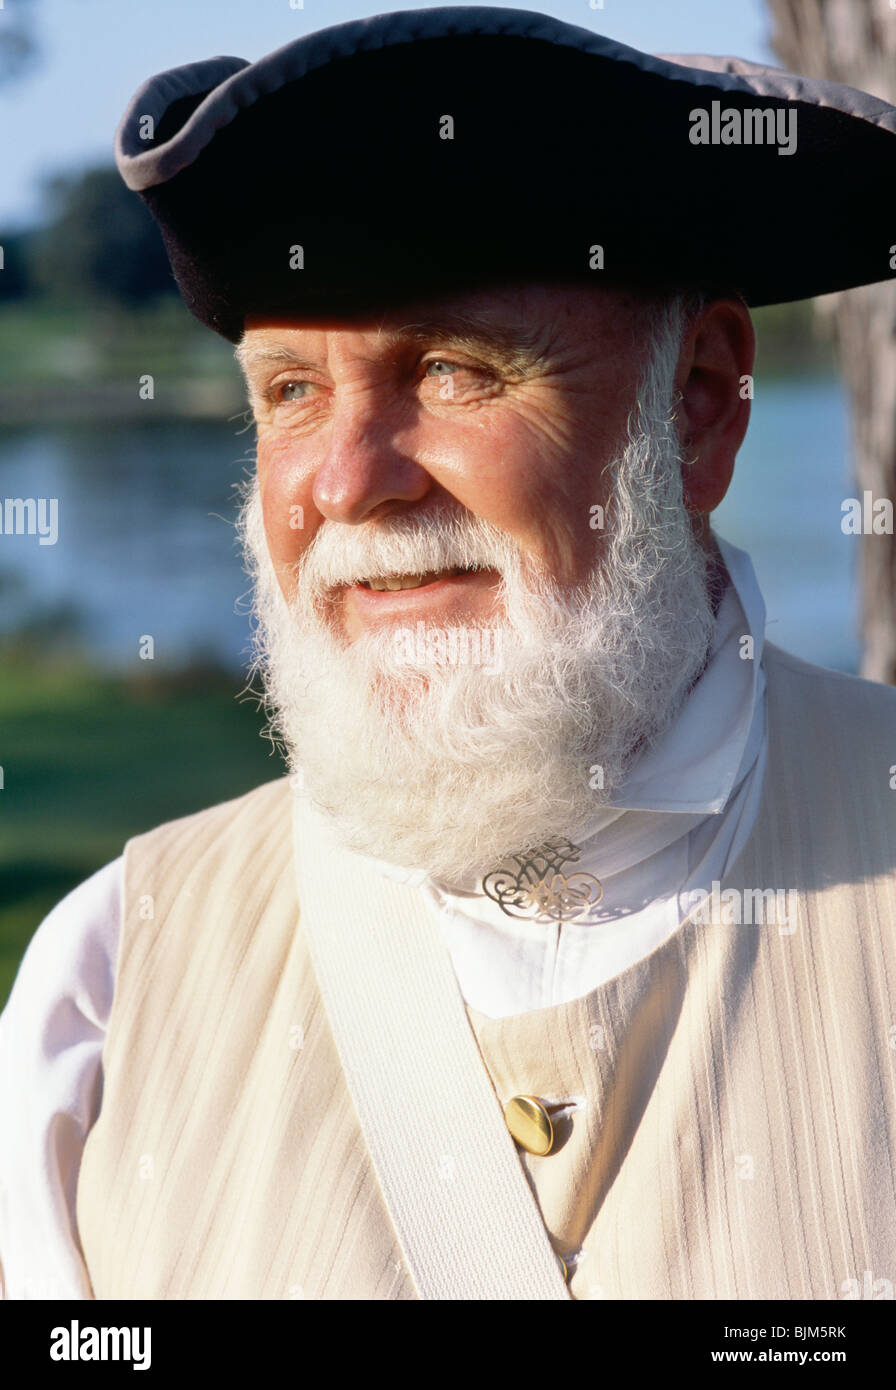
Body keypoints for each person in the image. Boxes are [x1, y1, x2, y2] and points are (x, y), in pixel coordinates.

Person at [2, 6, 896, 1302]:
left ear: (698, 403)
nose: (351, 484)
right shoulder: (105, 990)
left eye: (457, 371)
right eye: (293, 393)